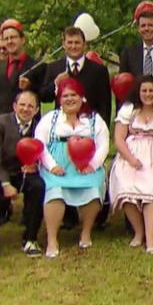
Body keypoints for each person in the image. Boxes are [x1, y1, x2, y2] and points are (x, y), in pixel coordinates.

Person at [35, 78, 110, 258]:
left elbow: (103, 144)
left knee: (93, 186)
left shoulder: (93, 119)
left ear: (81, 97)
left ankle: (86, 232)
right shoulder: (50, 119)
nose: (69, 99)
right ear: (59, 99)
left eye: (73, 95)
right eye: (65, 96)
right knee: (55, 191)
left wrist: (92, 165)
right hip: (58, 164)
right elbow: (39, 144)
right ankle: (52, 239)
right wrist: (52, 166)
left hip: (85, 164)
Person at [108, 76, 153, 254]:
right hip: (132, 154)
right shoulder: (129, 109)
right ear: (138, 92)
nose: (148, 94)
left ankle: (151, 240)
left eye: (151, 91)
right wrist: (130, 158)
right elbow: (118, 138)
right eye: (144, 90)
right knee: (125, 184)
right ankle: (139, 233)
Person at [0, 90, 46, 262]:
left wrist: (35, 165)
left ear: (37, 109)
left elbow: (44, 152)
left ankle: (30, 239)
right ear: (14, 106)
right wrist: (5, 183)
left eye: (30, 106)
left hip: (25, 172)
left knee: (38, 186)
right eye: (22, 105)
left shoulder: (40, 127)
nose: (25, 109)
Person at [40, 26, 112, 126]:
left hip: (90, 127)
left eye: (77, 42)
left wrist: (103, 130)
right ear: (64, 45)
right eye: (70, 42)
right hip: (61, 127)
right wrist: (55, 83)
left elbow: (105, 106)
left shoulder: (99, 70)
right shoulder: (54, 68)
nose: (73, 46)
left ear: (84, 44)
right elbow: (44, 97)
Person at [0, 19, 44, 120]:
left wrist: (30, 87)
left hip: (27, 124)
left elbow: (45, 96)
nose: (9, 41)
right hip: (0, 123)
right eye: (6, 39)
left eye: (13, 37)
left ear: (23, 40)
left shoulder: (37, 66)